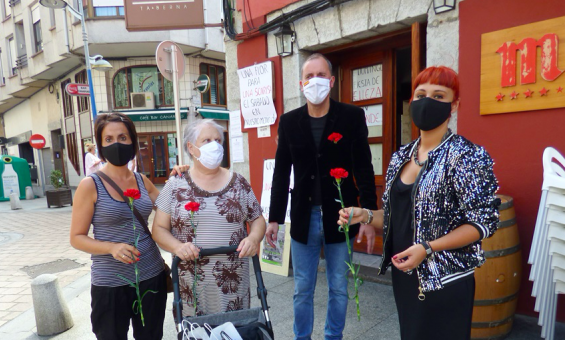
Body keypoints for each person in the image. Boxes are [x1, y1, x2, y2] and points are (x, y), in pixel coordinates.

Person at [338, 66, 500, 340]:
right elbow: (392, 217)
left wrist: (428, 248)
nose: (427, 102)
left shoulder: (466, 156)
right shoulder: (401, 155)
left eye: (439, 96)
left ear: (454, 105)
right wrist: (364, 215)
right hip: (405, 274)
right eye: (421, 94)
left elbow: (483, 223)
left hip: (445, 277)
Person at [266, 53, 378, 340]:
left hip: (342, 216)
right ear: (301, 83)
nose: (314, 81)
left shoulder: (351, 117)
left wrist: (368, 214)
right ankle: (301, 337)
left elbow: (364, 166)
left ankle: (333, 336)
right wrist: (274, 218)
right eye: (309, 76)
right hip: (304, 216)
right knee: (303, 287)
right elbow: (281, 172)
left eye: (320, 75)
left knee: (339, 285)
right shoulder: (290, 121)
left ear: (331, 80)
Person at [152, 119, 266, 316]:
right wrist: (178, 247)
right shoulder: (175, 185)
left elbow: (257, 219)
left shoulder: (239, 182)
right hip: (191, 285)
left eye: (218, 140)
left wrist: (254, 238)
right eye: (206, 140)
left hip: (233, 284)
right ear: (191, 147)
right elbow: (159, 229)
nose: (214, 145)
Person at [69, 112, 167, 340]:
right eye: (109, 139)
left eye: (123, 138)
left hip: (150, 277)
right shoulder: (90, 185)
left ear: (132, 141)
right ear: (101, 146)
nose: (117, 144)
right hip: (110, 284)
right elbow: (76, 237)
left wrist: (180, 177)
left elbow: (168, 207)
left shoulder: (142, 181)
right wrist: (111, 248)